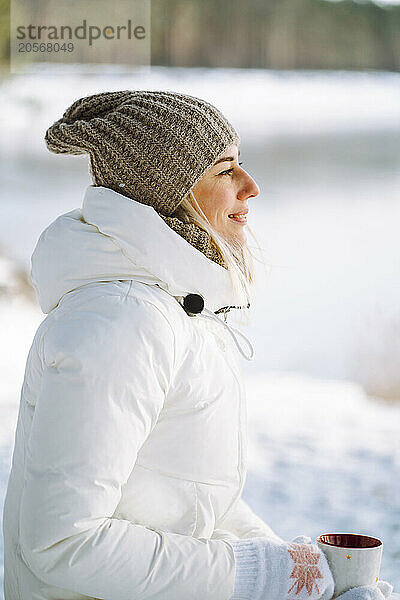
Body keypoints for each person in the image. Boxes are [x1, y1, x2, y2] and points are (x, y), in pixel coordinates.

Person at [2, 90, 393, 600]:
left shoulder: (174, 310)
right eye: (225, 170)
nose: (251, 188)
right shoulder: (122, 321)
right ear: (167, 192)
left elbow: (194, 501)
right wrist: (266, 578)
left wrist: (303, 576)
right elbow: (62, 542)